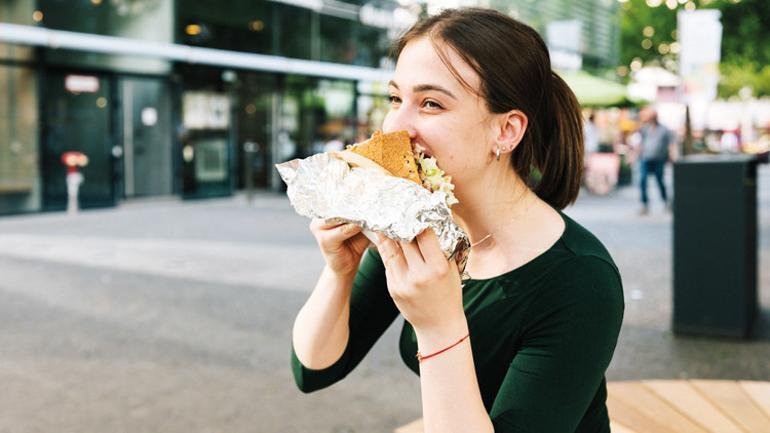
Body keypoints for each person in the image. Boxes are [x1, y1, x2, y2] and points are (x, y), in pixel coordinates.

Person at [291, 8, 624, 433]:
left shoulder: (581, 280)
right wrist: (339, 272)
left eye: (430, 103)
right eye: (395, 99)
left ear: (506, 131)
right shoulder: (413, 222)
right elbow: (314, 370)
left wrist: (439, 325)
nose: (394, 127)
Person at [635, 107, 673, 215]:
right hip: (645, 158)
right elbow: (641, 143)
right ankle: (644, 204)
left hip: (659, 159)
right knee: (642, 180)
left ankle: (666, 201)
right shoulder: (644, 129)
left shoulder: (664, 130)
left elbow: (670, 144)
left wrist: (671, 155)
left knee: (660, 181)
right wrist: (635, 154)